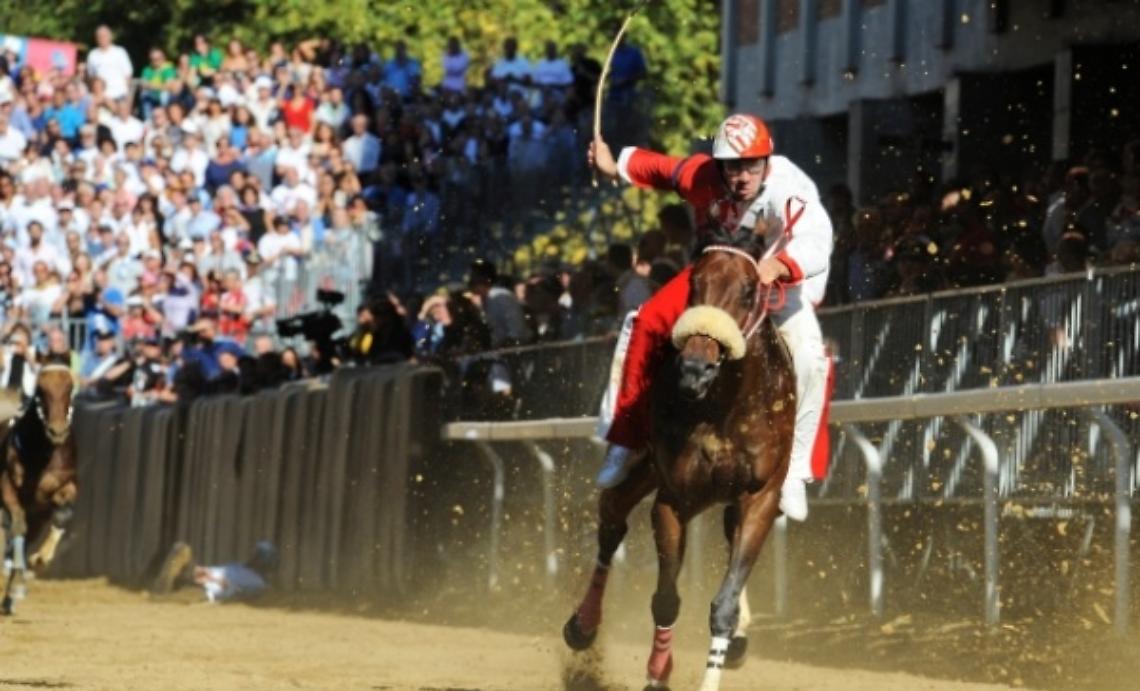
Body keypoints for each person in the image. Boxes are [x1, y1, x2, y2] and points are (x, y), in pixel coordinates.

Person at [587, 113, 834, 521]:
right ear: (719, 165)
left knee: (810, 359)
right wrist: (613, 167)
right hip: (721, 273)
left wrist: (782, 265)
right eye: (732, 167)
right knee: (644, 320)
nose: (741, 177)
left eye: (751, 165)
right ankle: (625, 438)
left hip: (780, 280)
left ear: (766, 160)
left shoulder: (788, 189)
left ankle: (794, 470)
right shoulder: (704, 175)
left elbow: (816, 239)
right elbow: (662, 168)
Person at [151, 539, 277, 603]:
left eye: (256, 556)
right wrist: (201, 569)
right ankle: (164, 585)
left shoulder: (258, 583)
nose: (252, 557)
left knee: (183, 597)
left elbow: (237, 593)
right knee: (182, 548)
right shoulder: (239, 566)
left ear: (262, 562)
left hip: (208, 590)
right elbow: (216, 571)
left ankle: (163, 592)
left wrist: (211, 578)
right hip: (201, 576)